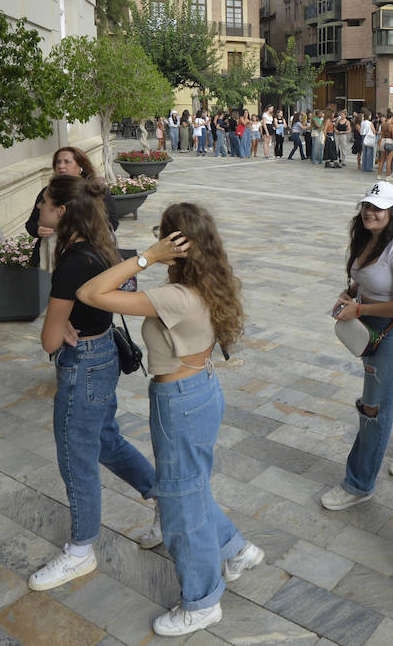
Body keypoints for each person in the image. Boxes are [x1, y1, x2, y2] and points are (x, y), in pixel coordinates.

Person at [78, 203, 263, 637]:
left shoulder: (174, 298)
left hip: (179, 400)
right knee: (190, 486)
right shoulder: (207, 285)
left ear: (173, 244)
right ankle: (236, 548)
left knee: (180, 505)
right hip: (202, 390)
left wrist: (146, 256)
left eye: (164, 236)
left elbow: (91, 293)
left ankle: (201, 601)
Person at [28, 176, 160, 592]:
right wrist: (65, 318)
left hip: (82, 364)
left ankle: (81, 549)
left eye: (44, 204)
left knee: (76, 455)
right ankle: (165, 500)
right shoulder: (100, 244)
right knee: (104, 439)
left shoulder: (71, 262)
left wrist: (59, 321)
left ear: (62, 212)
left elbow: (50, 340)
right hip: (102, 353)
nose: (39, 212)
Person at [322, 181, 393, 510]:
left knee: (374, 409)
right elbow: (365, 274)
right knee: (391, 391)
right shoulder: (368, 239)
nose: (370, 211)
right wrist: (350, 293)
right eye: (368, 205)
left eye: (378, 207)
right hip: (370, 324)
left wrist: (362, 309)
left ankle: (359, 483)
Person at [25, 147, 119, 269]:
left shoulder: (95, 191)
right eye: (58, 162)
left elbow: (112, 222)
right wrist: (38, 230)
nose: (61, 166)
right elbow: (31, 223)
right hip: (48, 252)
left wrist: (80, 231)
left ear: (80, 166)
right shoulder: (48, 192)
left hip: (84, 254)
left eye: (67, 162)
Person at [377, 113, 393, 179]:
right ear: (392, 117)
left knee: (382, 159)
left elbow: (381, 134)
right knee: (389, 160)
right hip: (389, 141)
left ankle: (379, 175)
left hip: (383, 140)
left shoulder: (383, 125)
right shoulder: (392, 126)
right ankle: (388, 175)